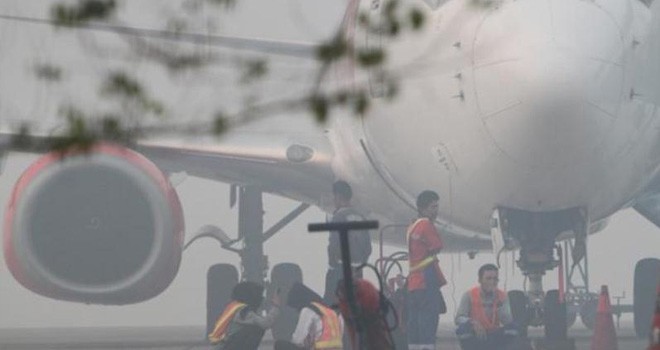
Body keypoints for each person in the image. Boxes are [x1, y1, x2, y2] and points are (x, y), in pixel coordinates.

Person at [406, 190, 447, 350]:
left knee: (415, 322)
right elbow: (437, 246)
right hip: (426, 278)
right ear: (423, 208)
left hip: (414, 281)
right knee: (428, 322)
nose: (436, 211)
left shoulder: (412, 225)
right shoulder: (426, 225)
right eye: (433, 207)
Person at [324, 180, 372, 305]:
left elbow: (333, 243)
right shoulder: (361, 217)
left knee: (332, 304)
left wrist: (332, 264)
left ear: (338, 196)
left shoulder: (338, 217)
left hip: (340, 268)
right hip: (357, 269)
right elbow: (368, 247)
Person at [454, 264, 517, 350]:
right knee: (462, 329)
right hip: (476, 334)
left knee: (513, 328)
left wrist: (500, 305)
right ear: (480, 280)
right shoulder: (469, 295)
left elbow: (508, 321)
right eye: (488, 278)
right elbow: (459, 318)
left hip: (494, 334)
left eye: (495, 279)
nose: (492, 282)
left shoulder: (502, 296)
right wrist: (473, 323)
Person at [208, 281, 280, 350]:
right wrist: (276, 306)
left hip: (223, 346)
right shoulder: (244, 312)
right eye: (260, 296)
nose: (263, 298)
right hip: (225, 347)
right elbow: (265, 323)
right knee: (256, 329)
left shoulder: (235, 307)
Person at [274, 282, 343, 350]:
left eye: (296, 307)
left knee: (280, 344)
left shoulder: (308, 310)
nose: (297, 311)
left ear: (299, 302)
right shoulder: (332, 313)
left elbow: (298, 340)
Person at [337, 278, 396, 350]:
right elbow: (351, 331)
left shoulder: (367, 290)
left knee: (377, 338)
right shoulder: (343, 304)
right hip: (364, 320)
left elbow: (375, 313)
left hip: (372, 318)